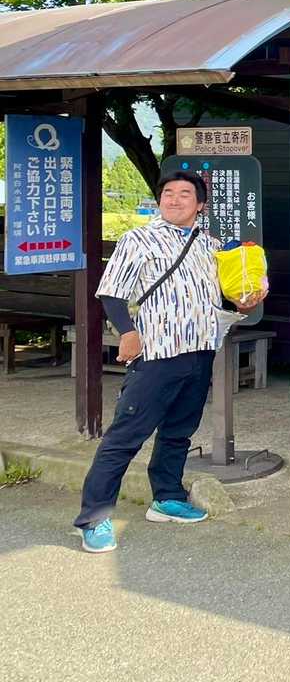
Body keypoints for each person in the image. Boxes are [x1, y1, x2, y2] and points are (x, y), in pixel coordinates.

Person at [73, 169, 265, 553]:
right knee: (125, 436)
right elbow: (112, 293)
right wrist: (127, 332)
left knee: (179, 431)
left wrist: (245, 298)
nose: (175, 199)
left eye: (184, 194)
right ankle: (93, 518)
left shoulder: (211, 246)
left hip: (200, 350)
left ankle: (167, 497)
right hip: (156, 353)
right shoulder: (137, 240)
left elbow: (228, 294)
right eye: (168, 193)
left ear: (200, 205)